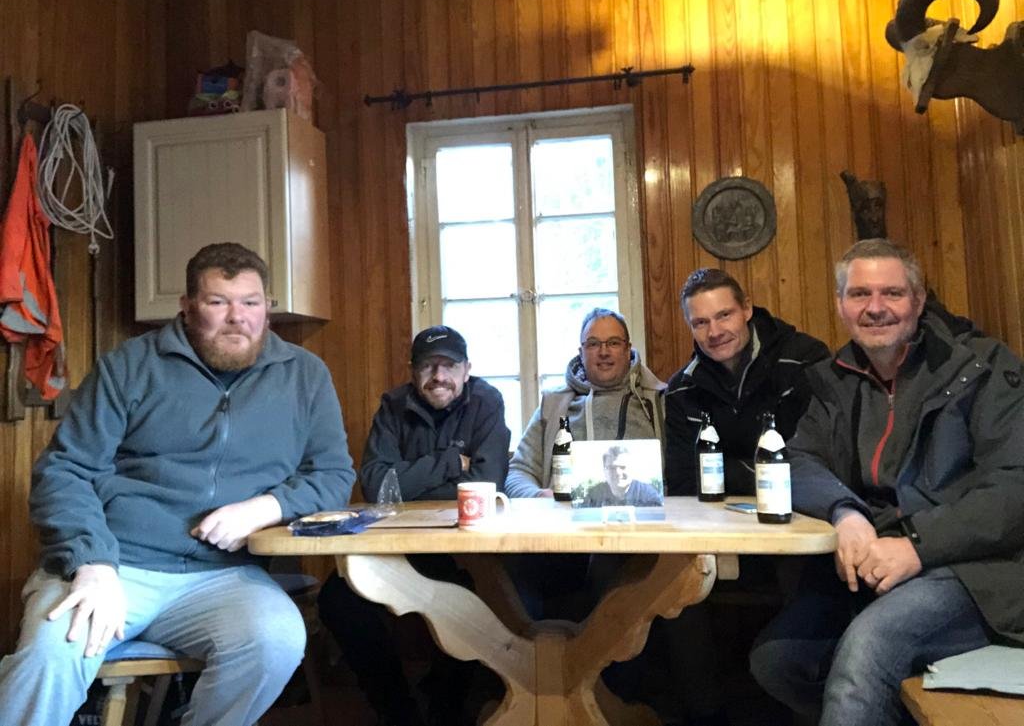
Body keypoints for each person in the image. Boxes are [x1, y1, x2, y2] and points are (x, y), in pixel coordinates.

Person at [0, 242, 355, 726]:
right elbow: (65, 470)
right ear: (187, 308)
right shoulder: (128, 366)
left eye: (251, 302)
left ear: (267, 308)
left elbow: (333, 475)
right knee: (50, 652)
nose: (237, 317)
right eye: (217, 302)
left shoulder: (305, 375)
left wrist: (266, 506)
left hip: (224, 577)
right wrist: (92, 561)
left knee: (276, 639)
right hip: (116, 567)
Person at [750, 238, 1024, 726]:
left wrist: (917, 545)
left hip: (974, 571)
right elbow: (796, 459)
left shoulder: (982, 366)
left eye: (892, 293)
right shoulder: (832, 379)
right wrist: (845, 513)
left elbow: (1014, 487)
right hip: (875, 566)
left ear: (918, 300)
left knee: (866, 651)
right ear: (840, 304)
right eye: (860, 294)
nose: (875, 308)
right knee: (778, 660)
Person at [318, 324, 510, 726]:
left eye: (449, 366)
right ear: (412, 371)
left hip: (464, 549)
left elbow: (486, 482)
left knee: (476, 593)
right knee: (337, 599)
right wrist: (450, 464)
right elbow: (376, 485)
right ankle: (397, 710)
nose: (438, 376)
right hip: (394, 547)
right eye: (427, 366)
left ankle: (447, 709)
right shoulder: (393, 406)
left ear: (467, 370)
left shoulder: (487, 402)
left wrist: (408, 481)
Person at [664, 267, 829, 497]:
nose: (714, 332)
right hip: (714, 516)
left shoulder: (803, 361)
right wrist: (761, 470)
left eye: (724, 315)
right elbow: (682, 483)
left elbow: (812, 466)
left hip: (801, 509)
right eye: (700, 323)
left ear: (747, 309)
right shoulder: (681, 390)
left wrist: (724, 472)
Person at [505, 307, 665, 498]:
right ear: (581, 353)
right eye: (593, 344)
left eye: (613, 343)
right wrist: (539, 497)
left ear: (627, 349)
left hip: (647, 514)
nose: (604, 352)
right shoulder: (553, 405)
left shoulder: (658, 401)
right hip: (565, 515)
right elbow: (519, 471)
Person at [583, 444, 662, 507]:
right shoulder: (593, 494)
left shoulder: (648, 495)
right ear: (604, 471)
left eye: (623, 467)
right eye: (612, 468)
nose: (617, 473)